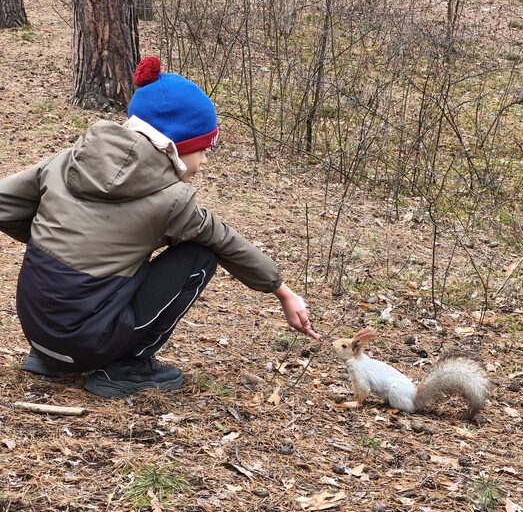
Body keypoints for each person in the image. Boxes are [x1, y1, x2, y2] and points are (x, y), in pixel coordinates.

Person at [0, 56, 319, 398]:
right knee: (200, 254)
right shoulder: (173, 200)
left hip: (37, 331)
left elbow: (4, 206)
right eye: (204, 148)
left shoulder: (69, 159)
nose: (205, 160)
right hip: (89, 344)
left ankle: (51, 360)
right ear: (178, 146)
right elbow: (225, 240)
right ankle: (127, 367)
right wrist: (282, 291)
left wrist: (51, 239)